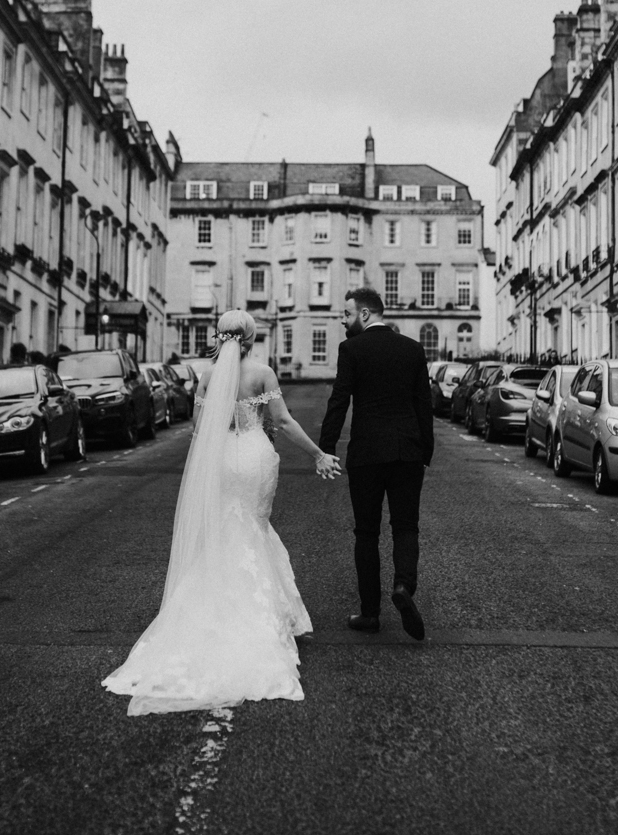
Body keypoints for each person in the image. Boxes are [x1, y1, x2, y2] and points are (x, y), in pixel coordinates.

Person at [103, 309, 340, 716]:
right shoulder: (262, 372)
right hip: (254, 456)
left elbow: (199, 427)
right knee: (253, 527)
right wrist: (318, 453)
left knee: (227, 528)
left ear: (221, 338)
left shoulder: (208, 376)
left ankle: (208, 608)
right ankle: (259, 616)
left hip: (222, 460)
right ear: (249, 339)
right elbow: (281, 421)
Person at [319, 288, 434, 640]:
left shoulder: (351, 349)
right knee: (405, 526)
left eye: (347, 313)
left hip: (367, 453)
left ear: (365, 314)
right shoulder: (413, 349)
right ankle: (403, 586)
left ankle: (370, 614)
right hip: (407, 452)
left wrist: (325, 449)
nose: (342, 319)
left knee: (366, 533)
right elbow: (423, 405)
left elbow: (340, 400)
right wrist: (424, 451)